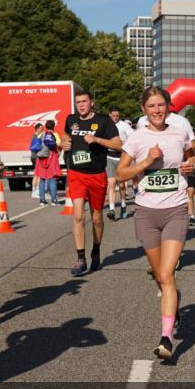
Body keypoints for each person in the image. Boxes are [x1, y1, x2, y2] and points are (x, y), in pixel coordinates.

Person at [117, 86, 194, 359]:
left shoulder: (179, 132)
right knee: (159, 275)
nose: (157, 110)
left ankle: (166, 338)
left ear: (169, 106)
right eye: (151, 106)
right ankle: (174, 305)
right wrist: (146, 162)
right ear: (143, 110)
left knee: (167, 273)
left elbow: (191, 156)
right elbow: (120, 174)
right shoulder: (136, 138)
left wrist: (191, 165)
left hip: (175, 210)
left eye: (161, 105)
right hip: (146, 213)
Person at [61, 87, 121, 276]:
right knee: (78, 215)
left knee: (97, 218)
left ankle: (96, 249)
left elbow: (118, 144)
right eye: (78, 102)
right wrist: (64, 142)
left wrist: (97, 139)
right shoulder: (71, 119)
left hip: (97, 174)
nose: (81, 105)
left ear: (91, 102)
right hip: (76, 174)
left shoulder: (104, 121)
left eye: (84, 102)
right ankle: (81, 258)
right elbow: (65, 135)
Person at [106, 106, 135, 220]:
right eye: (113, 116)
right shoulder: (106, 124)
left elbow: (133, 137)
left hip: (122, 158)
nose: (115, 118)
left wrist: (124, 143)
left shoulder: (124, 125)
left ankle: (123, 205)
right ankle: (112, 209)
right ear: (109, 115)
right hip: (109, 157)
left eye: (117, 116)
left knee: (122, 185)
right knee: (111, 183)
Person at [35, 120, 61, 205]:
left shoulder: (41, 134)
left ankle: (42, 200)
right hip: (52, 157)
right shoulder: (55, 134)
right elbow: (59, 144)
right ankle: (53, 200)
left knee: (42, 179)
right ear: (53, 126)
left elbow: (37, 145)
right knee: (52, 179)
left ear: (45, 126)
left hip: (42, 158)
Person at [29, 122, 44, 199]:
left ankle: (34, 191)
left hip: (33, 157)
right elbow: (37, 147)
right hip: (37, 157)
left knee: (36, 174)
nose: (42, 130)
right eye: (41, 128)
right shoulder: (36, 137)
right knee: (38, 175)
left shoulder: (34, 136)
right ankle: (37, 191)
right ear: (37, 129)